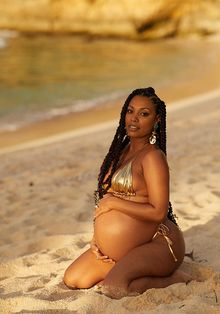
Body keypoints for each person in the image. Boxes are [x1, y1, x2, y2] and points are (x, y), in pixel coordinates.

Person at [63, 87, 191, 299]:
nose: (134, 118)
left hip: (157, 243)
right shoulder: (119, 152)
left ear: (156, 119)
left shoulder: (153, 158)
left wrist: (114, 204)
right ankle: (123, 268)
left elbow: (158, 212)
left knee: (114, 288)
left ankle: (174, 279)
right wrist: (98, 239)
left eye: (144, 114)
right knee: (74, 279)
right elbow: (105, 199)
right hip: (125, 249)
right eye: (130, 111)